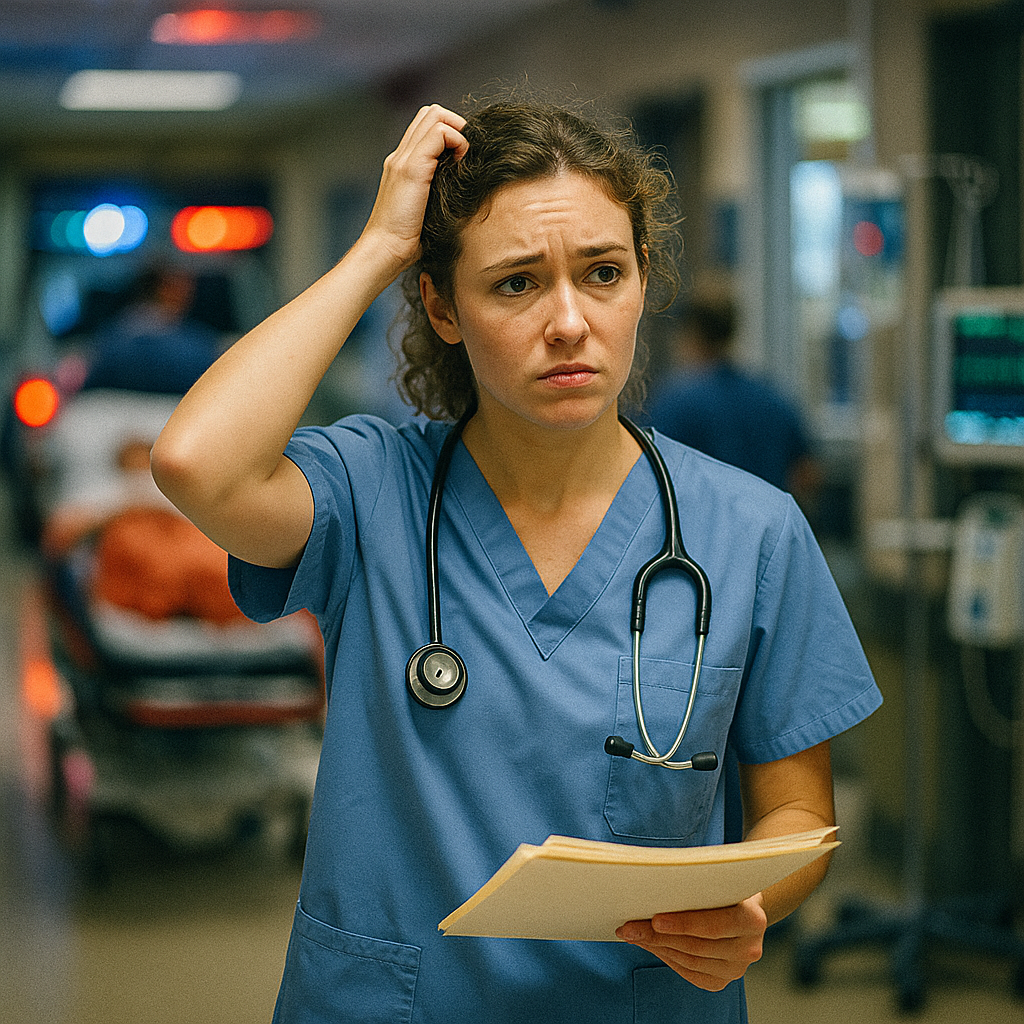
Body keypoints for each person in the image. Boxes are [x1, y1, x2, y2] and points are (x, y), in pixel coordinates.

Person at [151, 96, 881, 1023]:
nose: (570, 322)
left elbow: (799, 819)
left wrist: (751, 908)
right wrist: (381, 245)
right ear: (442, 306)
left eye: (604, 273)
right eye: (515, 284)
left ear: (643, 282)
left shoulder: (752, 530)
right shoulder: (371, 491)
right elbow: (194, 462)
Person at [647, 294, 822, 505]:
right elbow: (808, 474)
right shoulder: (772, 399)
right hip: (762, 528)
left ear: (691, 335)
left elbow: (651, 476)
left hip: (697, 532)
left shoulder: (676, 404)